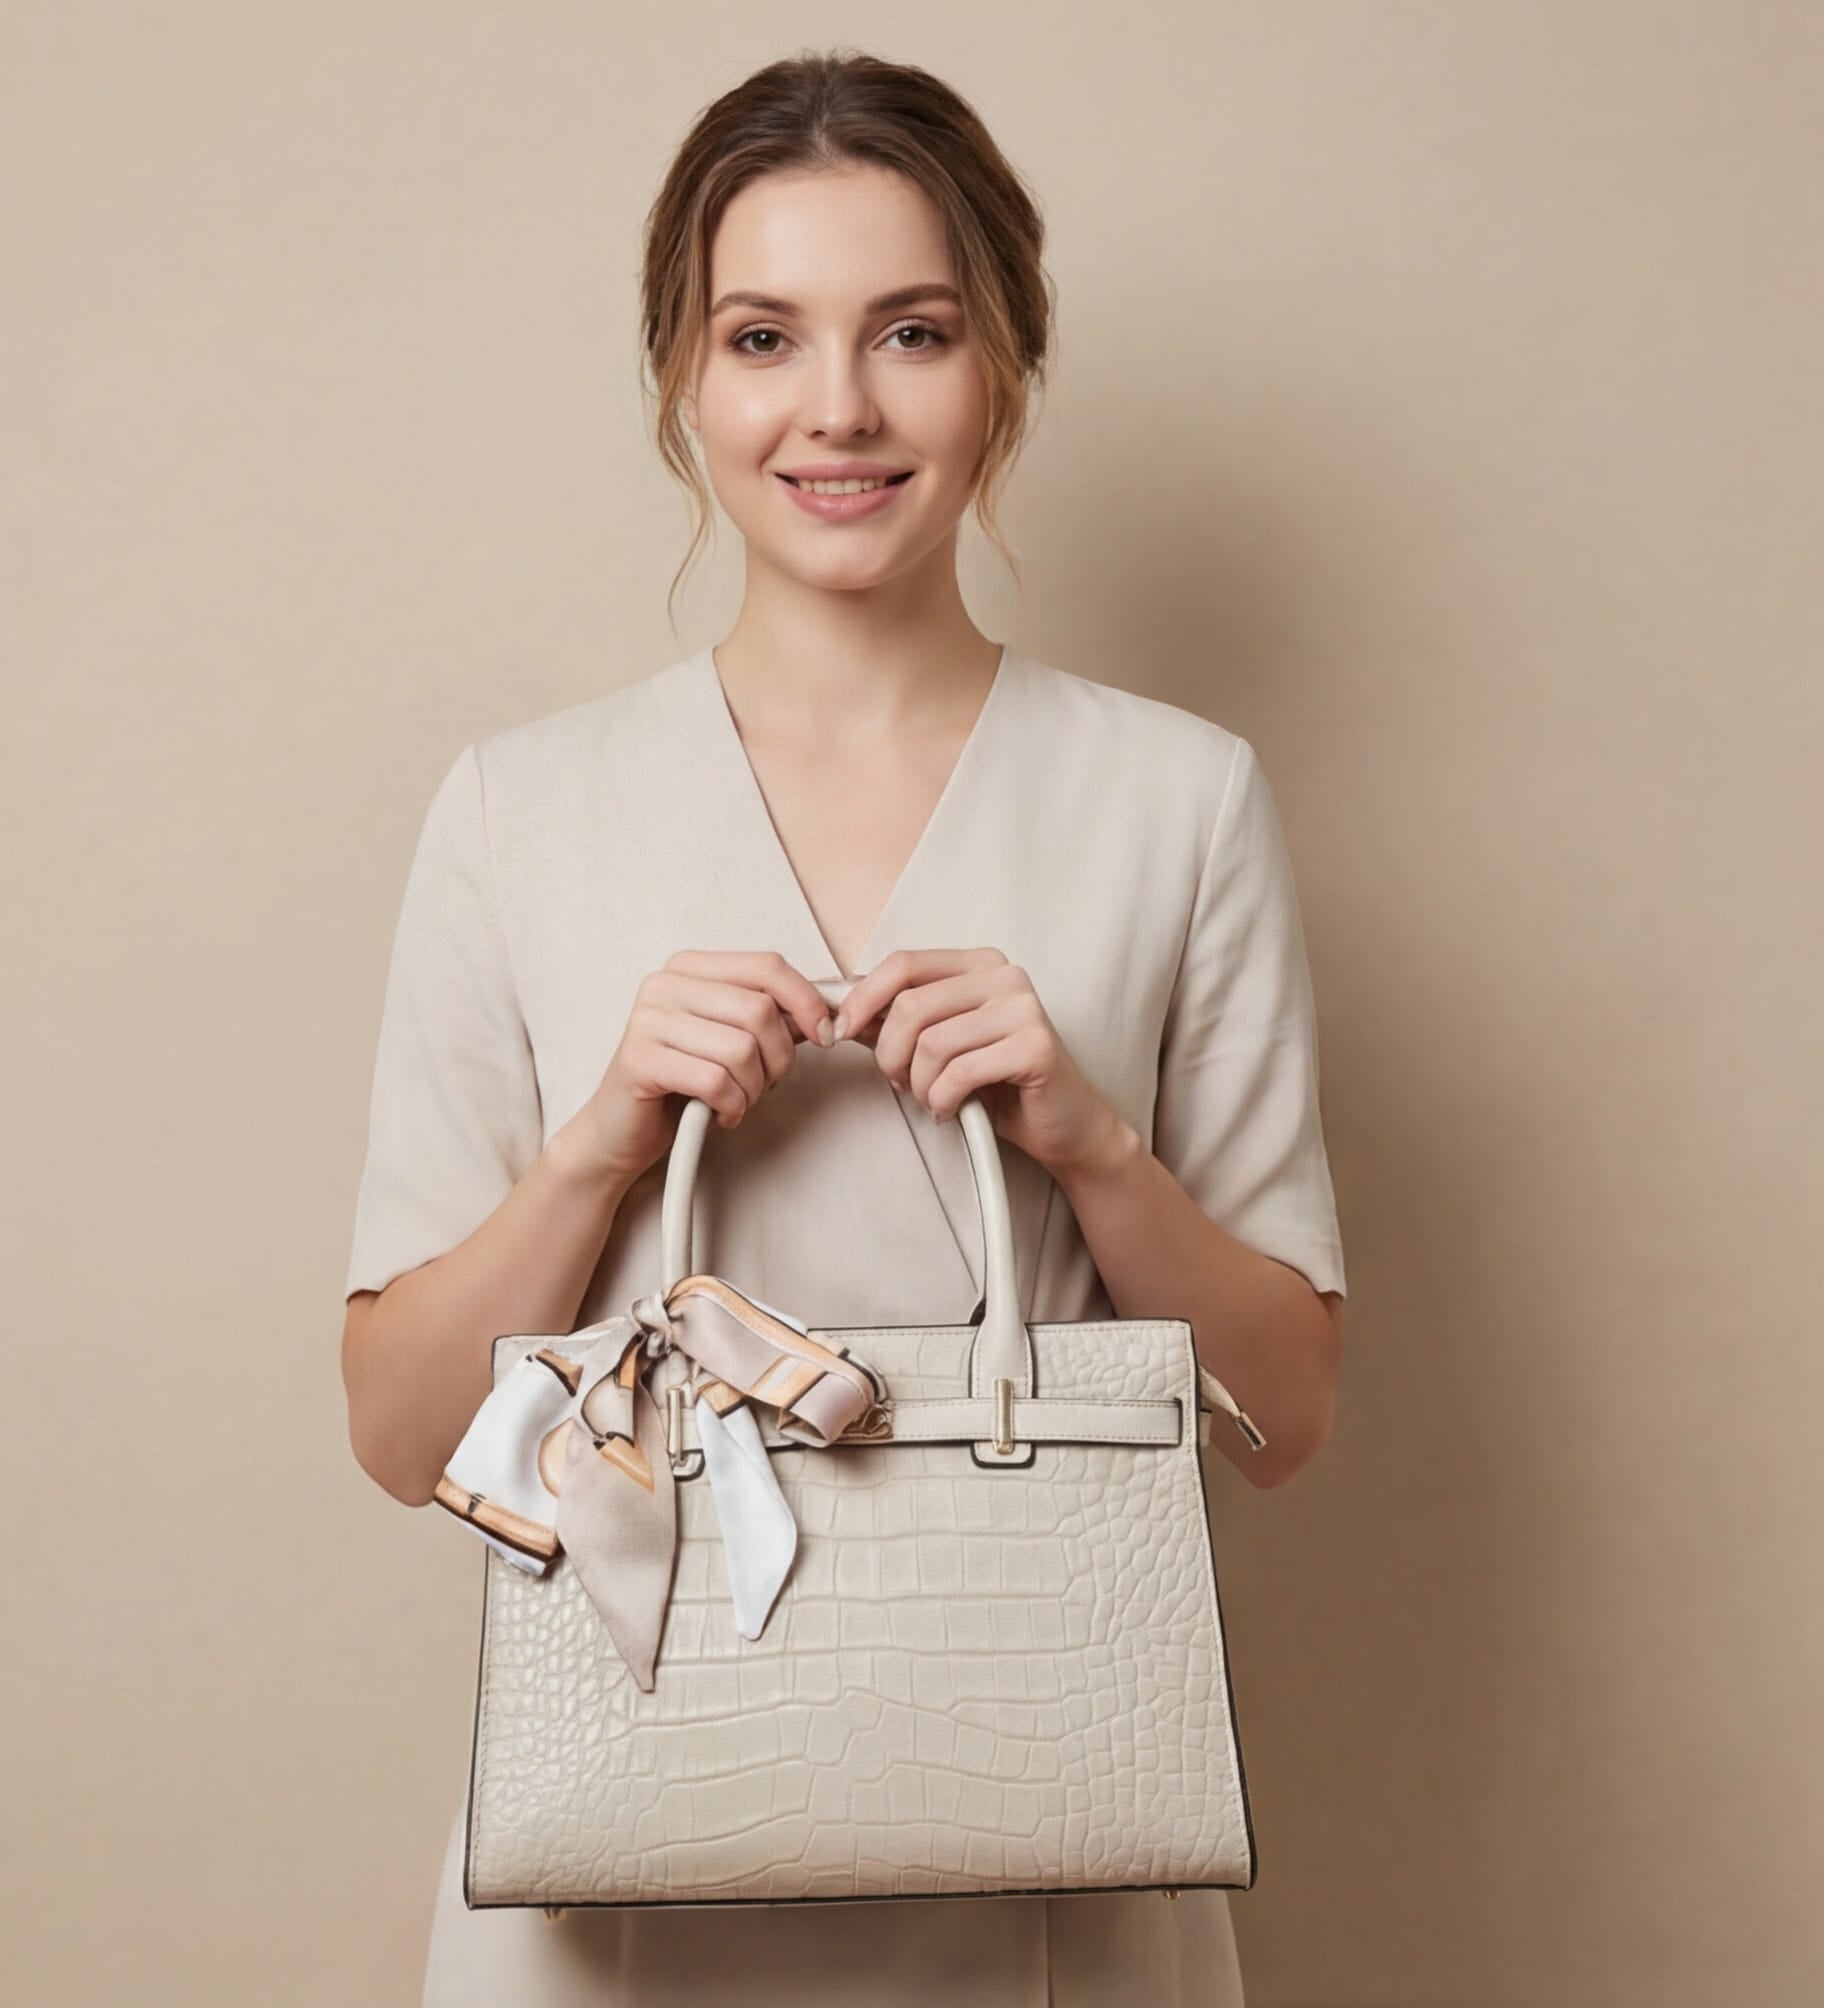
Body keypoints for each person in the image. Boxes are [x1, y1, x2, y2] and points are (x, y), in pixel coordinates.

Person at [340, 49, 1348, 2008]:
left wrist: (1088, 1136)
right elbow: (397, 1431)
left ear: (1007, 370)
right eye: (762, 335)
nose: (838, 407)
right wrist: (602, 1139)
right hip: (612, 1862)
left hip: (1054, 1841)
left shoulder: (1177, 799)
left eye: (912, 331)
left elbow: (1289, 1415)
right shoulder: (515, 810)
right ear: (682, 383)